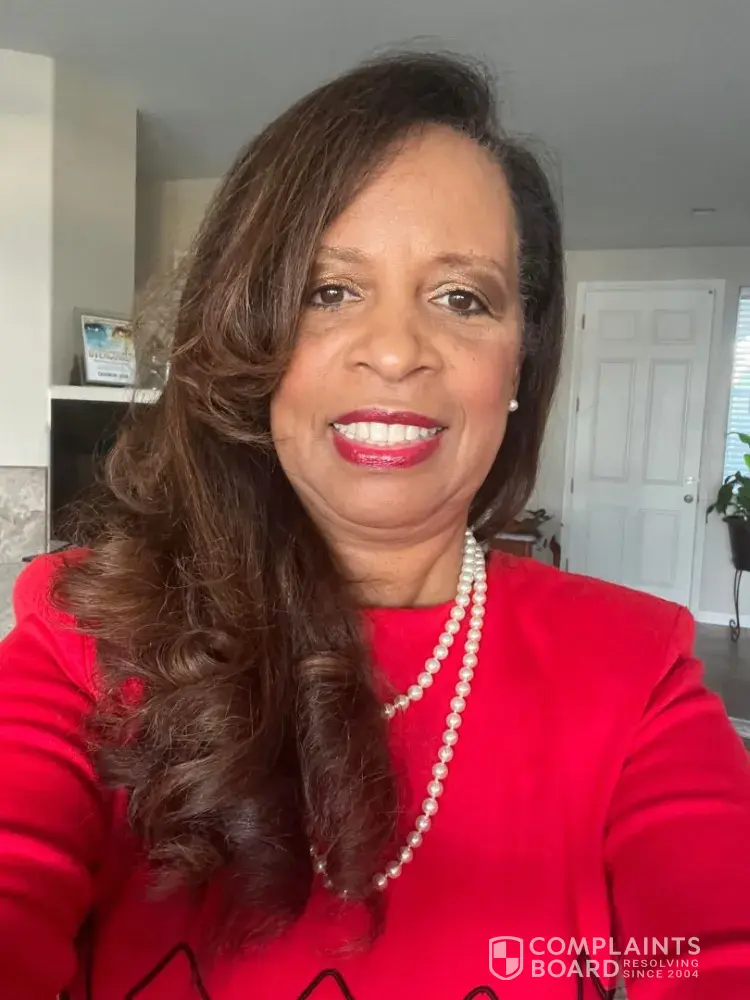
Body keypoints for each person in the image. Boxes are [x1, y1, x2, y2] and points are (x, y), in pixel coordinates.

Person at [0, 53, 748, 1000]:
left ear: (520, 364)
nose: (396, 352)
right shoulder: (83, 636)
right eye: (329, 291)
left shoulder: (636, 673)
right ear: (252, 338)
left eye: (462, 298)